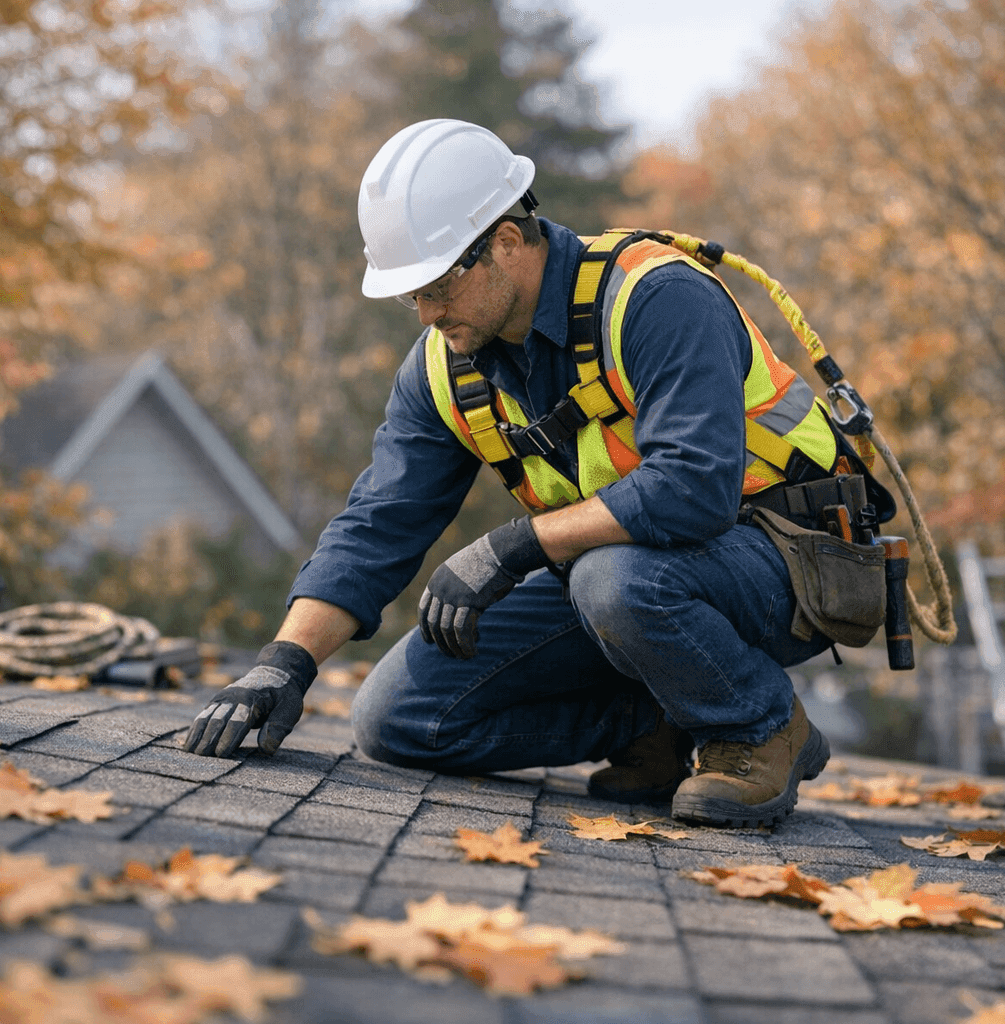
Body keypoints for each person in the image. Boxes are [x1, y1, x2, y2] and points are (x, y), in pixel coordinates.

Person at [186, 118, 876, 828]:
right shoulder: (442, 367)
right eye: (409, 295)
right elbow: (379, 522)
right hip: (630, 579)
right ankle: (656, 723)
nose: (424, 313)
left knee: (615, 581)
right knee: (397, 719)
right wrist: (284, 663)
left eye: (435, 285)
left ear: (507, 243)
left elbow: (693, 489)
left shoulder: (658, 299)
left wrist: (512, 547)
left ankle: (759, 727)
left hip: (792, 557)